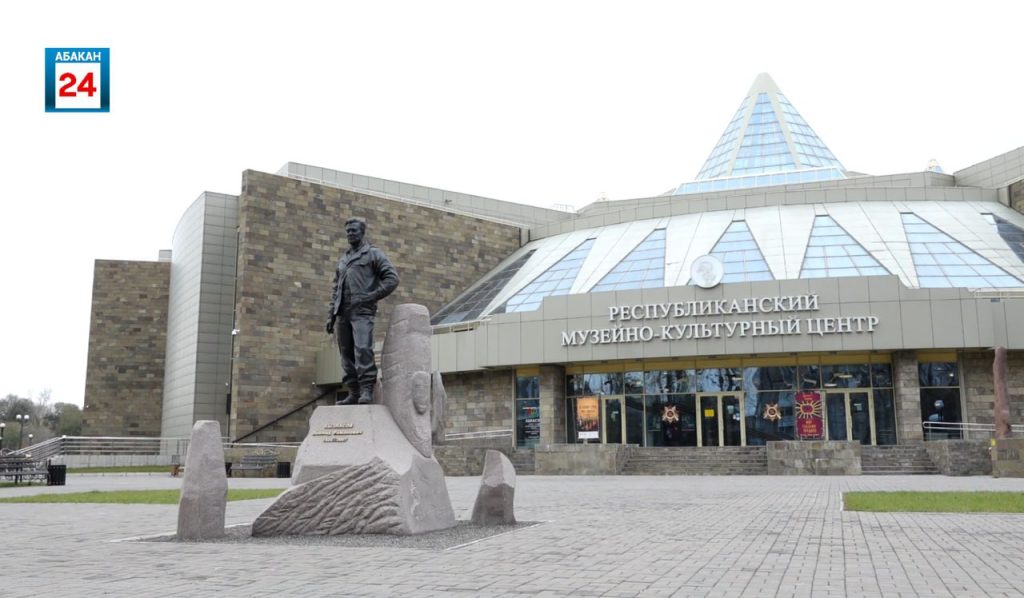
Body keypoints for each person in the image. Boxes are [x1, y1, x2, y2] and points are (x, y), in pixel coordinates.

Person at [326, 218, 399, 405]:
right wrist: (331, 315)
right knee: (346, 354)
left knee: (363, 349)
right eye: (348, 231)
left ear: (362, 232)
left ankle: (367, 389)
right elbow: (336, 289)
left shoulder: (373, 254)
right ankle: (353, 391)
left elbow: (392, 279)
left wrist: (370, 296)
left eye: (354, 231)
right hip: (342, 313)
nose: (350, 234)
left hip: (362, 311)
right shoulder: (344, 259)